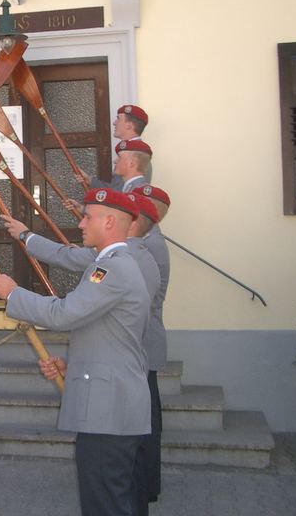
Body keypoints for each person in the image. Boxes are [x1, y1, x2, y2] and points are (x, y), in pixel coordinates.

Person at [0, 188, 151, 516]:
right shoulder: (108, 264)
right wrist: (69, 366)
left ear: (109, 222)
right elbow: (105, 333)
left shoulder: (112, 268)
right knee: (110, 497)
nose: (81, 223)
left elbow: (65, 314)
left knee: (106, 502)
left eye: (87, 216)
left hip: (109, 409)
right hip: (110, 403)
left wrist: (13, 294)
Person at [133, 184, 172, 503]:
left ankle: (146, 485)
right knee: (147, 419)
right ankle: (146, 483)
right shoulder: (144, 242)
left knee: (147, 423)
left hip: (144, 345)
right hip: (143, 345)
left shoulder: (151, 247)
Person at [78, 104, 152, 189]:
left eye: (118, 119)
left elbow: (128, 193)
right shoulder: (129, 152)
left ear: (129, 125)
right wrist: (89, 180)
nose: (114, 123)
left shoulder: (140, 154)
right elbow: (116, 188)